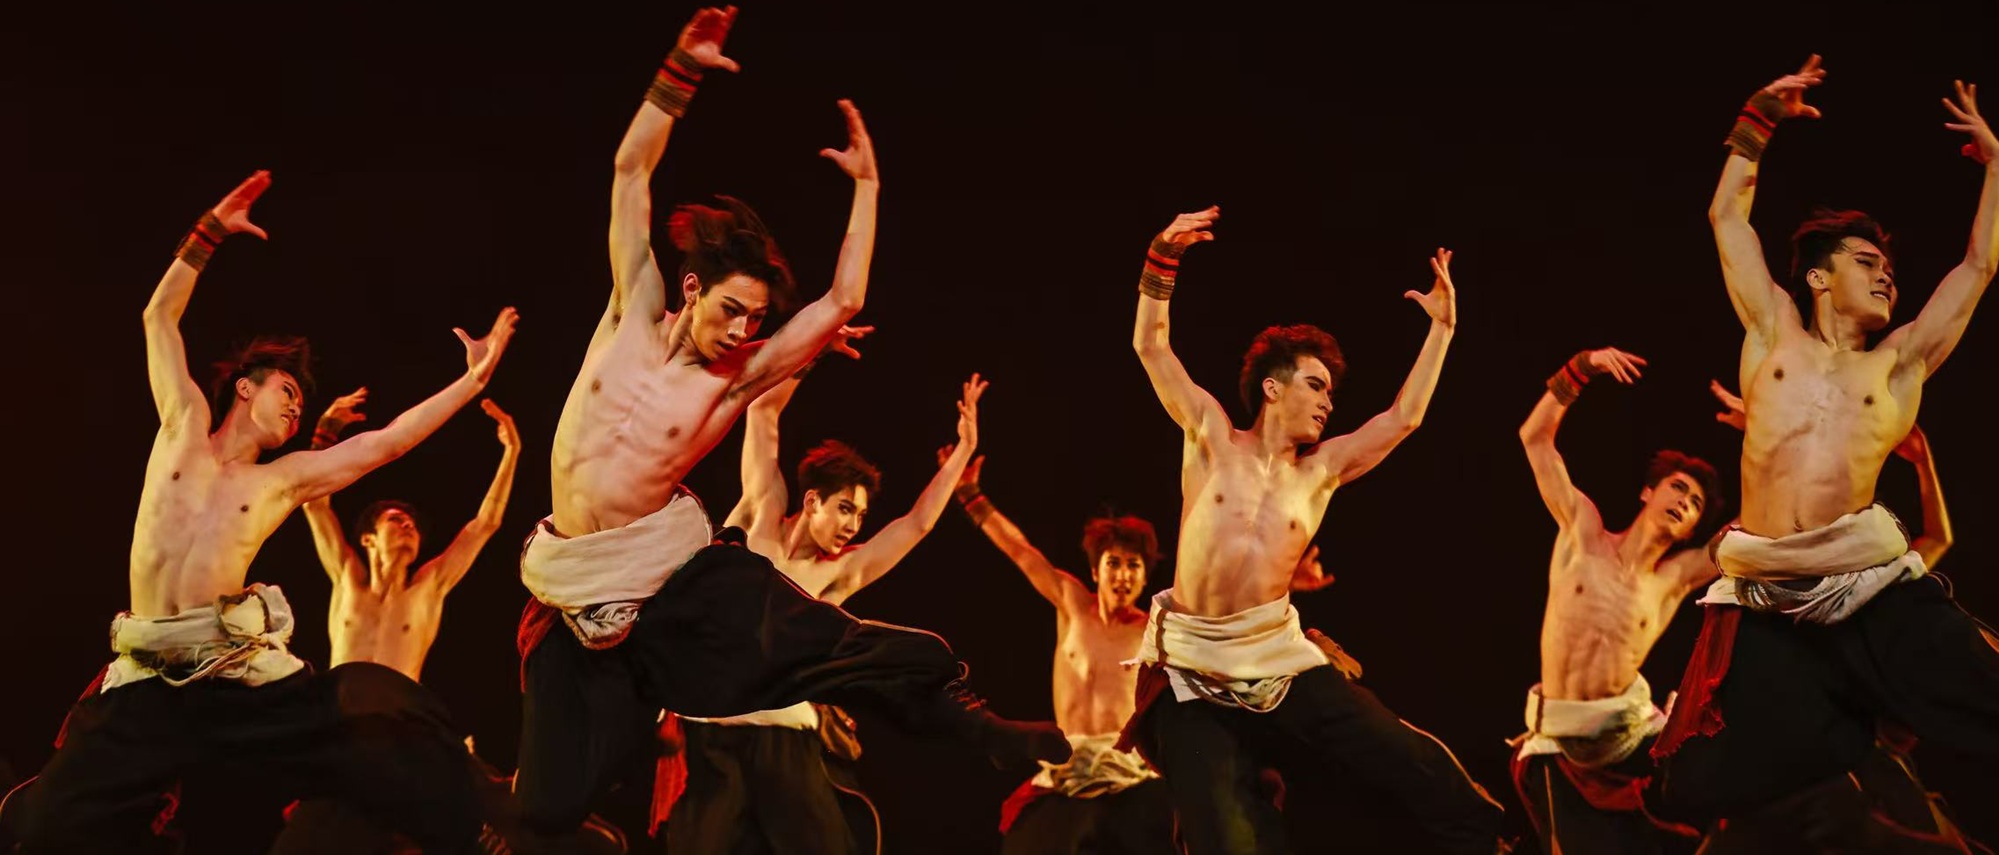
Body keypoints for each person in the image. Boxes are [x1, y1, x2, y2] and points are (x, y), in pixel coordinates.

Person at [514, 7, 1063, 846]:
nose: (742, 330)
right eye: (732, 310)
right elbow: (629, 170)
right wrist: (678, 73)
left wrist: (868, 188)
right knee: (547, 805)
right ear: (691, 289)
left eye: (756, 319)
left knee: (823, 638)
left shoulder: (733, 383)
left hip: (669, 584)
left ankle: (973, 723)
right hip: (573, 585)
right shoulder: (630, 308)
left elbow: (844, 298)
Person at [0, 171, 518, 855]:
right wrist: (209, 233)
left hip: (230, 674)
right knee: (46, 825)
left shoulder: (280, 480)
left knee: (357, 751)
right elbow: (158, 318)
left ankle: (480, 825)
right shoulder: (182, 425)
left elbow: (387, 442)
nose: (298, 406)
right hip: (147, 675)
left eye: (302, 402)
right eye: (287, 391)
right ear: (245, 388)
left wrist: (471, 381)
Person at [1652, 56, 1998, 850]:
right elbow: (1726, 218)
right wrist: (1756, 119)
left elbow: (1978, 265)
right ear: (1815, 276)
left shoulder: (1898, 364)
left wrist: (1997, 168)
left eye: (1888, 269)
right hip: (1769, 597)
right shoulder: (1771, 333)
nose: (1886, 277)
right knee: (1726, 784)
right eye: (1866, 263)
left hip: (1867, 587)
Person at [1116, 206, 1503, 854]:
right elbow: (1151, 347)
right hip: (1191, 663)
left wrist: (1441, 329)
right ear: (1272, 388)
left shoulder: (1320, 471)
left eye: (1330, 392)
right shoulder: (1211, 437)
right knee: (1218, 832)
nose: (1328, 401)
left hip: (1276, 656)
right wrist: (1162, 257)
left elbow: (1403, 417)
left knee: (1403, 755)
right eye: (1316, 385)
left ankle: (1493, 842)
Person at [658, 367, 989, 854]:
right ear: (812, 501)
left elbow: (917, 524)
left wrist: (964, 449)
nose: (853, 526)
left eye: (861, 515)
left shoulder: (837, 574)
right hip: (711, 735)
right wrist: (814, 350)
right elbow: (762, 410)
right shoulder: (760, 513)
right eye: (845, 509)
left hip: (784, 739)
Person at [1509, 346, 1722, 855]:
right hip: (1561, 735)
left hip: (1628, 736)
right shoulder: (1583, 531)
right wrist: (1582, 367)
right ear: (1648, 493)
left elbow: (1764, 525)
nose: (1684, 502)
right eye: (1677, 488)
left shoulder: (1678, 576)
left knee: (1728, 801)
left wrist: (1768, 429)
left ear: (1694, 527)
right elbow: (1534, 438)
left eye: (1695, 503)